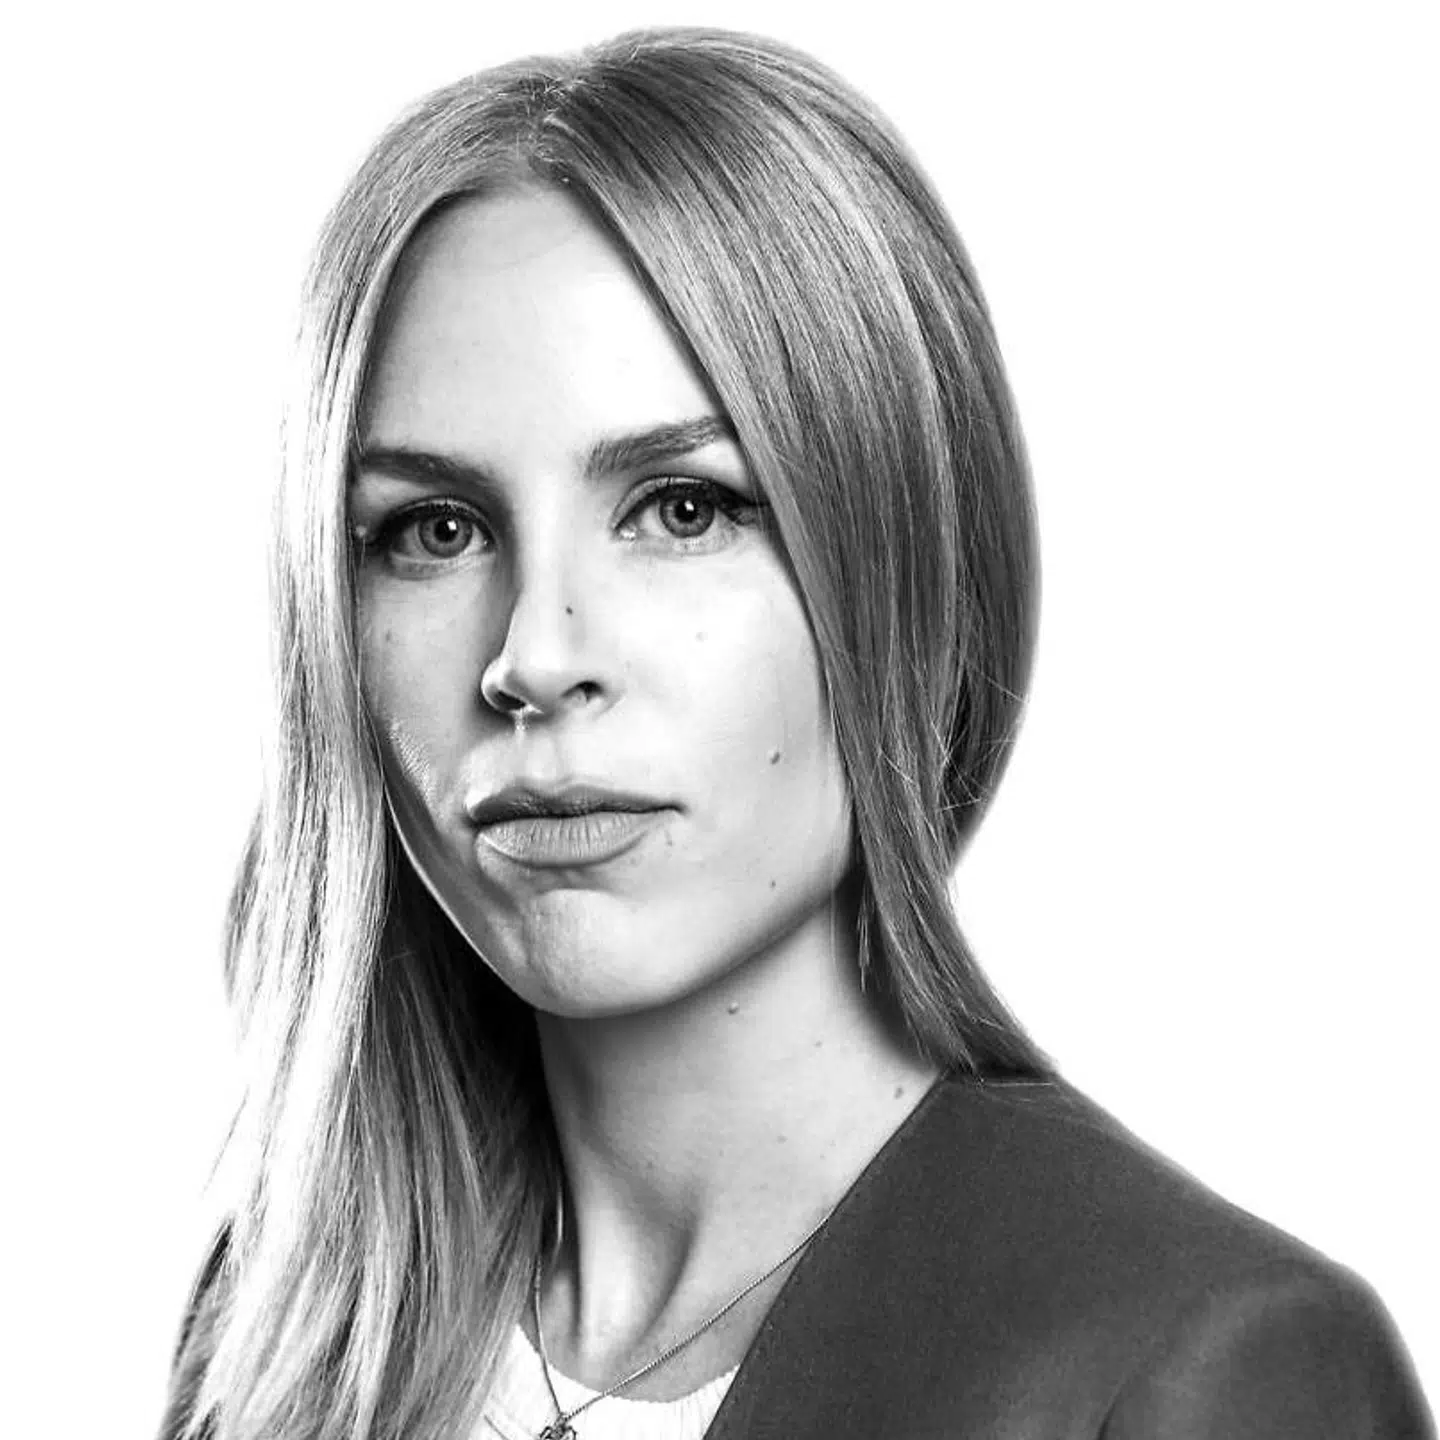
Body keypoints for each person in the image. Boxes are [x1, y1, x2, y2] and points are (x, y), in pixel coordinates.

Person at [159, 26, 1432, 1440]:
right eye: (435, 530)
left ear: (909, 571)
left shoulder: (1209, 1367)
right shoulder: (280, 1338)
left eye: (683, 509)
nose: (535, 658)